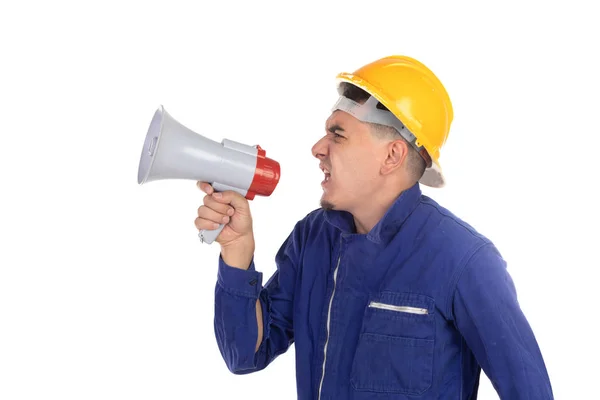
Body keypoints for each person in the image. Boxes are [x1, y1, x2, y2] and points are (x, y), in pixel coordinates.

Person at [194, 55, 554, 399]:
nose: (317, 148)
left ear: (392, 156)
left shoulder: (464, 260)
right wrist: (237, 249)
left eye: (338, 134)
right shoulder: (313, 239)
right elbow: (246, 354)